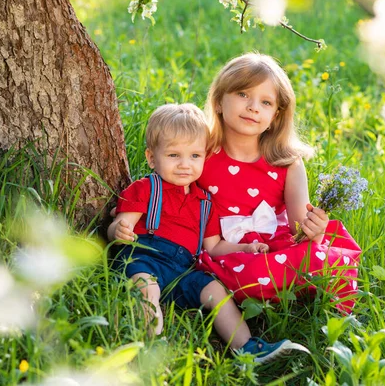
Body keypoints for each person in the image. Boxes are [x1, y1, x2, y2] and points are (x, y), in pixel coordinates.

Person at [108, 103, 293, 363]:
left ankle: (247, 347)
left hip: (183, 270)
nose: (185, 165)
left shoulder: (205, 202)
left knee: (215, 290)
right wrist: (120, 230)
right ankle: (151, 346)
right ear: (152, 158)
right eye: (174, 155)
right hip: (144, 259)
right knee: (145, 286)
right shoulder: (147, 189)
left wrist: (245, 248)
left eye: (195, 156)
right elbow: (118, 225)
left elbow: (214, 246)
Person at [195, 53, 362, 313]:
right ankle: (262, 288)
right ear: (218, 101)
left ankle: (310, 301)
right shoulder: (200, 155)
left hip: (276, 248)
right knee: (238, 272)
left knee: (318, 257)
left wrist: (315, 231)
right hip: (225, 250)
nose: (253, 107)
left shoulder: (287, 164)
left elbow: (299, 229)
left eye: (266, 102)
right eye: (242, 94)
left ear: (275, 115)